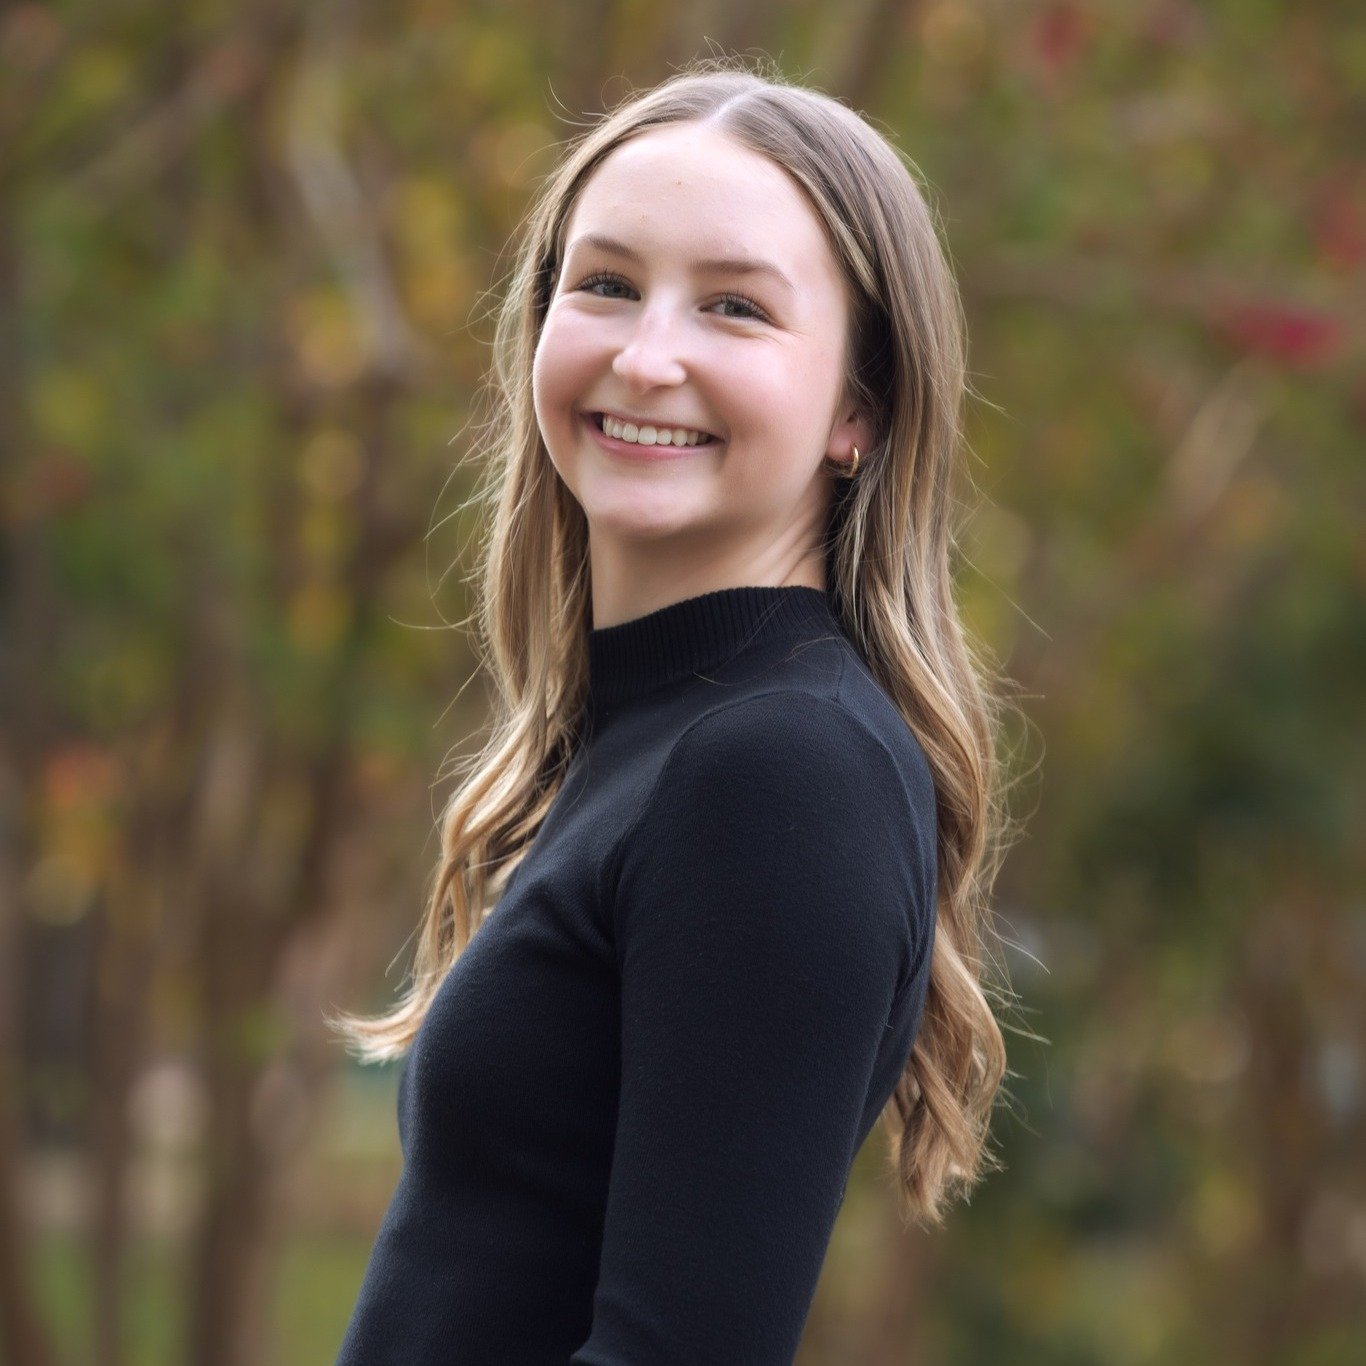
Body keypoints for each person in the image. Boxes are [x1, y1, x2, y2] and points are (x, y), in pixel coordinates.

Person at [327, 54, 1018, 1365]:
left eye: (734, 309)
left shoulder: (779, 767)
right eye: (604, 285)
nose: (646, 357)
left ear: (857, 409)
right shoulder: (651, 737)